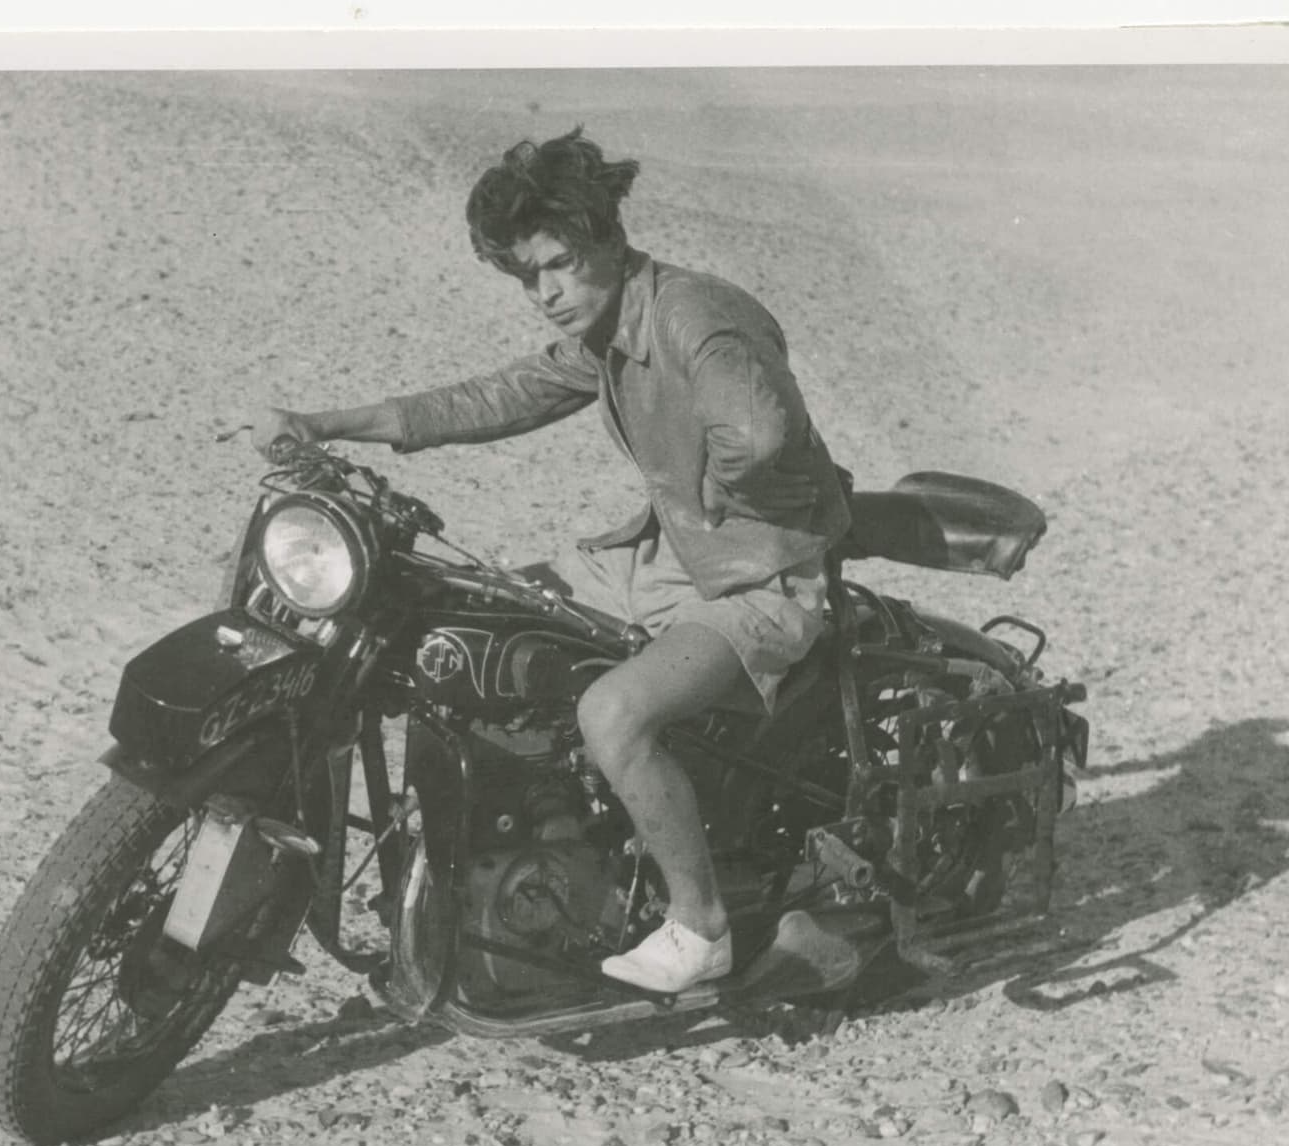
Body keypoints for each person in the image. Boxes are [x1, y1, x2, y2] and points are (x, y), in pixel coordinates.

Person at [251, 127, 851, 993]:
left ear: (609, 236)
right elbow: (499, 396)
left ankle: (702, 925)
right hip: (669, 556)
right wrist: (325, 423)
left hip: (761, 579)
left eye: (561, 263)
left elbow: (758, 435)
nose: (546, 290)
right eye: (530, 274)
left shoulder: (695, 317)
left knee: (615, 713)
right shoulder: (609, 327)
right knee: (471, 613)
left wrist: (715, 497)